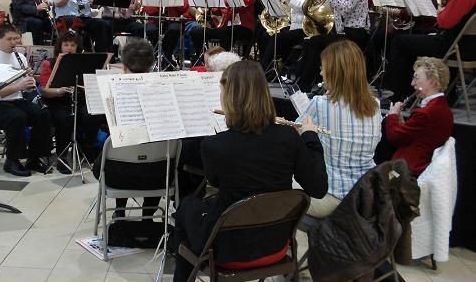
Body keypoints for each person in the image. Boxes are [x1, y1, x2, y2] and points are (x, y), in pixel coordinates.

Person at [173, 60, 328, 281]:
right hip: (275, 244)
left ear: (230, 97)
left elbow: (215, 182)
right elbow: (319, 188)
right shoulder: (289, 138)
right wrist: (310, 138)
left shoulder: (214, 146)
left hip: (228, 249)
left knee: (187, 206)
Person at [296, 40, 381, 218]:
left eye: (323, 68)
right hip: (365, 194)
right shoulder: (376, 105)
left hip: (331, 197)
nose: (320, 72)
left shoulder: (320, 104)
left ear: (335, 72)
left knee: (276, 180)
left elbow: (294, 136)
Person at [387, 0, 476, 101]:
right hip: (467, 45)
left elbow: (444, 22)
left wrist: (442, 11)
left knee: (400, 42)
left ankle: (401, 97)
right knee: (410, 40)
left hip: (455, 46)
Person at [92, 39, 164, 217]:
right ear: (152, 64)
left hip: (118, 175)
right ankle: (148, 216)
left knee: (118, 148)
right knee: (157, 151)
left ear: (124, 65)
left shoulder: (112, 89)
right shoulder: (163, 89)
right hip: (160, 175)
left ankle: (119, 211)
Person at [0, 23, 52, 176]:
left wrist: (29, 83)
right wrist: (18, 86)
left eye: (15, 39)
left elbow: (25, 87)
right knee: (17, 118)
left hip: (15, 101)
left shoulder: (20, 57)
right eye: (9, 39)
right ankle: (12, 160)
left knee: (42, 114)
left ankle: (34, 158)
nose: (14, 42)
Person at [296, 0, 370, 92]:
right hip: (342, 31)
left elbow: (344, 9)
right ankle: (305, 83)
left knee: (315, 42)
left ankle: (304, 87)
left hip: (355, 33)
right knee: (310, 41)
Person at [39, 32, 106, 173]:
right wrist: (59, 91)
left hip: (78, 98)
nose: (69, 48)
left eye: (73, 45)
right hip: (57, 100)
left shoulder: (83, 62)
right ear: (60, 46)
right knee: (64, 118)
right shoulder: (49, 63)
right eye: (66, 45)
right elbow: (44, 90)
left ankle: (86, 146)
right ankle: (62, 157)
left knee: (92, 114)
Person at [384, 57, 453, 176]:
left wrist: (392, 116)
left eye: (416, 78)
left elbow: (394, 138)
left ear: (433, 81)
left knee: (369, 183)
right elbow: (418, 136)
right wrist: (402, 122)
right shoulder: (443, 109)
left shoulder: (426, 113)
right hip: (419, 168)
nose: (412, 83)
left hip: (407, 172)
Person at [260, 0, 320, 74]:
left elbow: (301, 8)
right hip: (296, 27)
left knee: (278, 38)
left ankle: (263, 71)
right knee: (267, 35)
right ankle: (277, 70)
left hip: (307, 29)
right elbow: (293, 10)